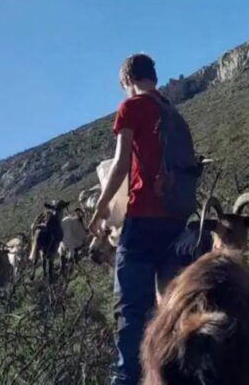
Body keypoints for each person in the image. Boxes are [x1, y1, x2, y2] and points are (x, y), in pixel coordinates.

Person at [88, 53, 188, 385]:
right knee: (172, 305)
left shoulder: (131, 108)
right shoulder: (171, 111)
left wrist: (101, 206)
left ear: (128, 80)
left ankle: (128, 378)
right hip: (175, 220)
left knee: (131, 309)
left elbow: (119, 165)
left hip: (142, 221)